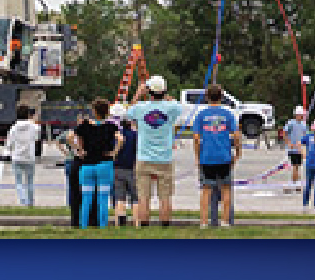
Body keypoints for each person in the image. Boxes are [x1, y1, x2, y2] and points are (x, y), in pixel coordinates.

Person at [124, 75, 183, 227]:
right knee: (165, 197)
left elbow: (128, 112)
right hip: (165, 157)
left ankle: (144, 225)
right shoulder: (171, 107)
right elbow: (177, 106)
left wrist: (138, 93)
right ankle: (165, 225)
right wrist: (163, 94)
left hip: (144, 156)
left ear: (148, 91)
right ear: (164, 91)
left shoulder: (140, 108)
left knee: (143, 196)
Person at [191, 87, 243, 228]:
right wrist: (238, 152)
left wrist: (197, 156)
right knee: (226, 189)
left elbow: (196, 138)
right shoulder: (228, 114)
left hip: (207, 156)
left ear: (207, 97)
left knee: (206, 190)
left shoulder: (201, 115)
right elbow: (237, 135)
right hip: (224, 156)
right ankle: (225, 221)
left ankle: (203, 222)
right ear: (221, 97)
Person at [71, 104, 119, 229]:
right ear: (107, 112)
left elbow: (71, 136)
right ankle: (102, 225)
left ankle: (84, 225)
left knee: (86, 198)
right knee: (103, 198)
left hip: (87, 164)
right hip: (104, 164)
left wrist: (79, 150)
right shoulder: (111, 126)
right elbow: (121, 138)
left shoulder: (84, 126)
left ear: (94, 111)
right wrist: (114, 152)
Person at [4, 104, 43, 207]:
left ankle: (23, 202)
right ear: (28, 114)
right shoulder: (34, 127)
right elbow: (37, 139)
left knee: (19, 182)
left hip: (17, 157)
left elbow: (9, 144)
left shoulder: (13, 128)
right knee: (30, 181)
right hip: (29, 157)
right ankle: (30, 202)